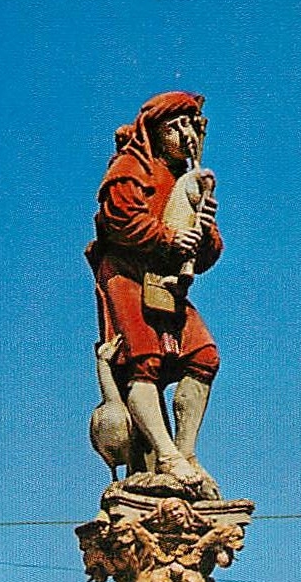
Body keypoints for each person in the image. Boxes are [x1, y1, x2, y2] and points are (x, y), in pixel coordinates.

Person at [86, 92, 222, 492]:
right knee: (141, 360)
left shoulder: (187, 180)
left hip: (166, 287)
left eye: (190, 125)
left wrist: (202, 234)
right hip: (126, 276)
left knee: (204, 356)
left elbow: (207, 251)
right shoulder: (131, 168)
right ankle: (166, 456)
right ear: (155, 131)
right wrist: (169, 239)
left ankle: (186, 453)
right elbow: (119, 219)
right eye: (175, 126)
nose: (185, 135)